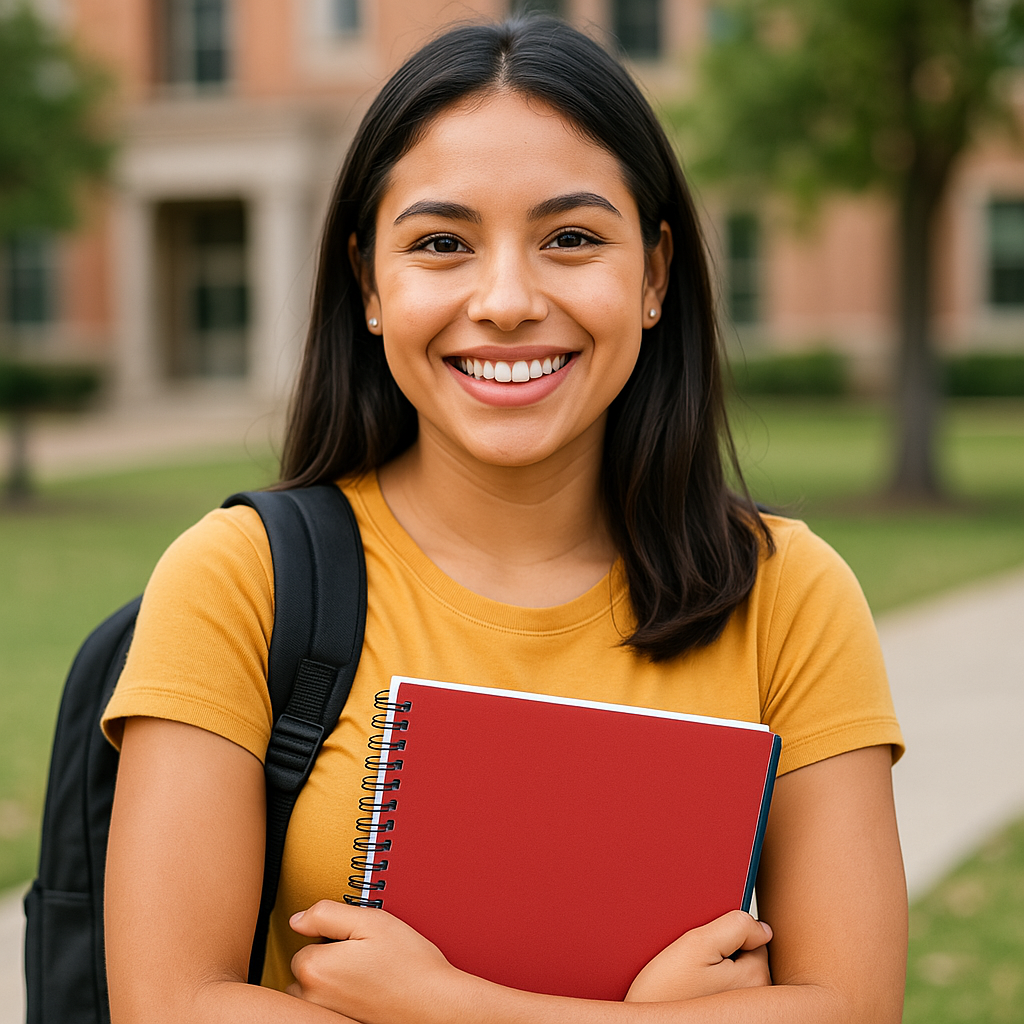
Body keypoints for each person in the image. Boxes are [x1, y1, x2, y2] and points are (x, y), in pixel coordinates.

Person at [102, 16, 907, 1024]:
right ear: (369, 284)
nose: (508, 300)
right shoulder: (239, 580)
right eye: (441, 244)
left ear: (655, 275)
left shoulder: (787, 593)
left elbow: (851, 1007)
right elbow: (169, 1004)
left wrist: (436, 1002)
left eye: (571, 238)